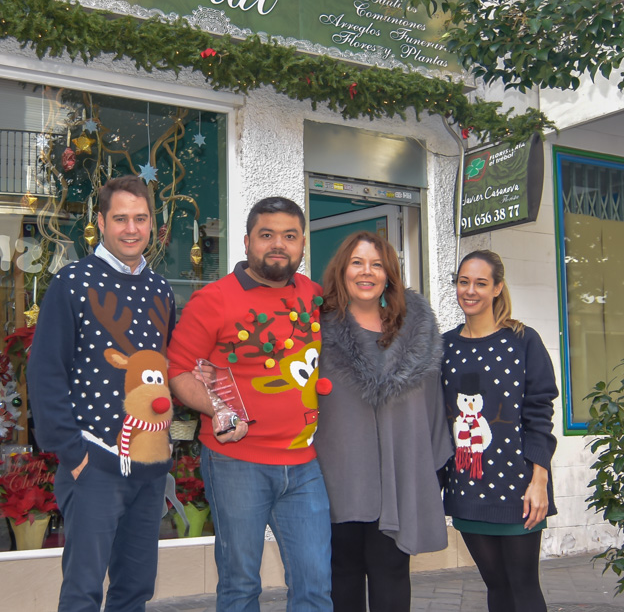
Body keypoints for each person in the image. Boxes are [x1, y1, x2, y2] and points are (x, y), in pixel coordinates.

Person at [168, 196, 333, 612]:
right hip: (236, 463)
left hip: (304, 464)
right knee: (240, 585)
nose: (278, 244)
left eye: (290, 236)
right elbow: (179, 371)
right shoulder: (213, 299)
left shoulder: (315, 297)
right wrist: (218, 409)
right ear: (246, 242)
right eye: (267, 235)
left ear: (303, 244)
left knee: (315, 584)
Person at [27, 175, 177, 612]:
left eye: (140, 218)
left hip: (149, 464)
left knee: (136, 588)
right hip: (94, 462)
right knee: (84, 591)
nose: (131, 229)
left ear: (152, 224)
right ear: (101, 221)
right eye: (121, 218)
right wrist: (73, 454)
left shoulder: (161, 290)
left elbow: (166, 369)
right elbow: (45, 371)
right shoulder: (71, 283)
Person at [312, 232, 451, 612]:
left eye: (376, 264)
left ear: (389, 274)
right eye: (357, 263)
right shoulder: (317, 331)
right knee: (342, 575)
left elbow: (432, 407)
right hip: (336, 480)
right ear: (341, 270)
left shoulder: (417, 333)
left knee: (392, 573)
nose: (366, 272)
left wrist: (430, 473)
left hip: (399, 479)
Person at [442, 250, 558, 612]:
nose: (470, 290)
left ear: (497, 288)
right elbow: (437, 421)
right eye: (464, 282)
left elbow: (539, 413)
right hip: (467, 487)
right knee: (496, 586)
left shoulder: (523, 340)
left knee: (523, 588)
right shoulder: (443, 347)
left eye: (480, 283)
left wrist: (539, 481)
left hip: (519, 490)